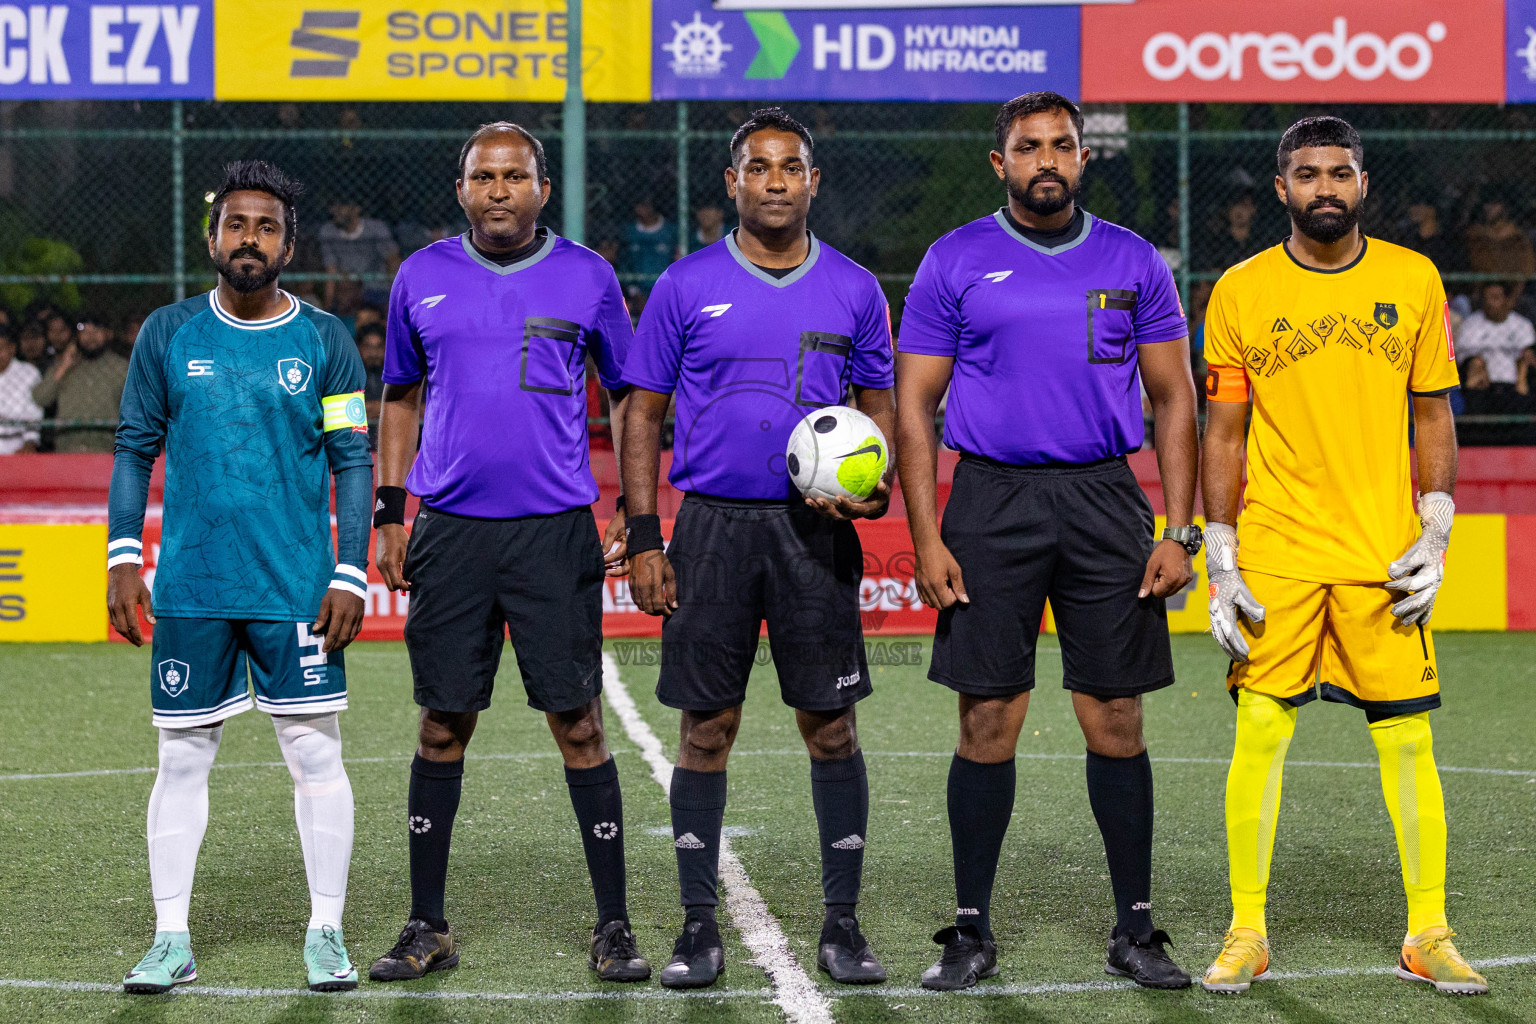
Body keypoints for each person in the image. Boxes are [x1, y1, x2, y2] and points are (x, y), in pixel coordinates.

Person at [895, 91, 1199, 992]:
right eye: (1029, 147)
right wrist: (925, 534)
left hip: (1108, 498)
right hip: (988, 500)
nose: (1048, 159)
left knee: (1116, 716)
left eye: (1062, 144)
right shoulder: (954, 260)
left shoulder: (1134, 259)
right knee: (989, 718)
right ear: (1001, 164)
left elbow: (1176, 398)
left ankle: (1137, 931)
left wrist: (1178, 529)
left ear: (1082, 156)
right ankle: (972, 931)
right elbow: (914, 405)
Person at [1200, 116, 1487, 996]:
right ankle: (1248, 929)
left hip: (1381, 552)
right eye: (1307, 174)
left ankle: (1428, 933)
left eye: (1341, 172)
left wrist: (1435, 533)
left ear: (1365, 184)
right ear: (1280, 187)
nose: (1325, 187)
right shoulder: (1240, 290)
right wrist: (1221, 556)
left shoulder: (1414, 276)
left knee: (1407, 739)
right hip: (1279, 548)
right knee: (1259, 731)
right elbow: (1224, 430)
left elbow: (1433, 411)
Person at [367, 122, 649, 985]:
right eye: (483, 177)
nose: (499, 190)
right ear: (461, 189)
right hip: (450, 529)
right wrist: (390, 511)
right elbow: (400, 398)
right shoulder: (421, 276)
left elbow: (630, 395)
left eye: (514, 176)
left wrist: (637, 514)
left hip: (553, 531)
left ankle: (614, 925)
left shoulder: (589, 276)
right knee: (443, 723)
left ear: (540, 189)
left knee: (579, 723)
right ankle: (427, 926)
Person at [622, 107, 896, 990]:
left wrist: (875, 485)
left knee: (830, 726)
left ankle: (843, 926)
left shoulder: (854, 288)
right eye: (758, 167)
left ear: (813, 182)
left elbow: (880, 410)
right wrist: (643, 535)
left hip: (815, 531)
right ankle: (698, 926)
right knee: (707, 729)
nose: (775, 180)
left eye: (791, 167)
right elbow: (643, 413)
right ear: (732, 182)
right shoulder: (683, 284)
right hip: (710, 527)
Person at [107, 160, 372, 994]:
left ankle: (325, 931)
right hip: (191, 586)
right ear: (213, 236)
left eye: (265, 226)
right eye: (234, 224)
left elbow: (353, 460)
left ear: (288, 242)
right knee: (181, 759)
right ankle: (169, 937)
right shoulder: (168, 332)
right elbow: (133, 448)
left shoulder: (324, 340)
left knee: (314, 754)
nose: (248, 238)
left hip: (295, 589)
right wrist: (122, 555)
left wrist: (351, 572)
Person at [31, 314, 128, 452]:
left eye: (96, 331)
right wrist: (64, 366)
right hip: (68, 448)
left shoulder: (122, 368)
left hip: (107, 449)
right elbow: (41, 398)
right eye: (84, 331)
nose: (90, 336)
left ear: (108, 334)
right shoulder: (64, 366)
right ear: (76, 336)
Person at [320, 200, 399, 314]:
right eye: (333, 206)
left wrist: (396, 296)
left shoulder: (375, 228)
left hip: (376, 288)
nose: (334, 211)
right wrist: (327, 307)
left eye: (341, 206)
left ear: (356, 209)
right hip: (347, 290)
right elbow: (330, 271)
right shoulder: (328, 232)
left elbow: (393, 259)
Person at [1455, 282, 1534, 386]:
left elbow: (1528, 354)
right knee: (1475, 363)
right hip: (1483, 382)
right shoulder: (1471, 324)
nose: (1489, 303)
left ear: (1506, 300)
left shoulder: (1522, 325)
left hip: (1515, 381)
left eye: (1495, 298)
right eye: (1486, 298)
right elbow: (1462, 356)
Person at [0, 327, 43, 453]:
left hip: (17, 446)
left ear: (11, 349)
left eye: (0, 348)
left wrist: (30, 442)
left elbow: (34, 412)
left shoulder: (28, 374)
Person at [1204, 191, 1261, 272]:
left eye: (1244, 206)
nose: (1239, 210)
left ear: (1253, 209)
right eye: (1234, 205)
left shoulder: (1259, 241)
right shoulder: (1217, 241)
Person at [622, 198, 678, 281]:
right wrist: (633, 290)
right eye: (638, 205)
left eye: (645, 205)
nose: (641, 209)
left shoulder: (671, 230)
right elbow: (624, 262)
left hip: (665, 287)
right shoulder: (629, 231)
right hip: (636, 289)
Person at [355, 321, 386, 432]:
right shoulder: (347, 376)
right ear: (358, 348)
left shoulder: (399, 376)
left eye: (379, 347)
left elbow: (421, 409)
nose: (373, 353)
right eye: (367, 347)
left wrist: (370, 408)